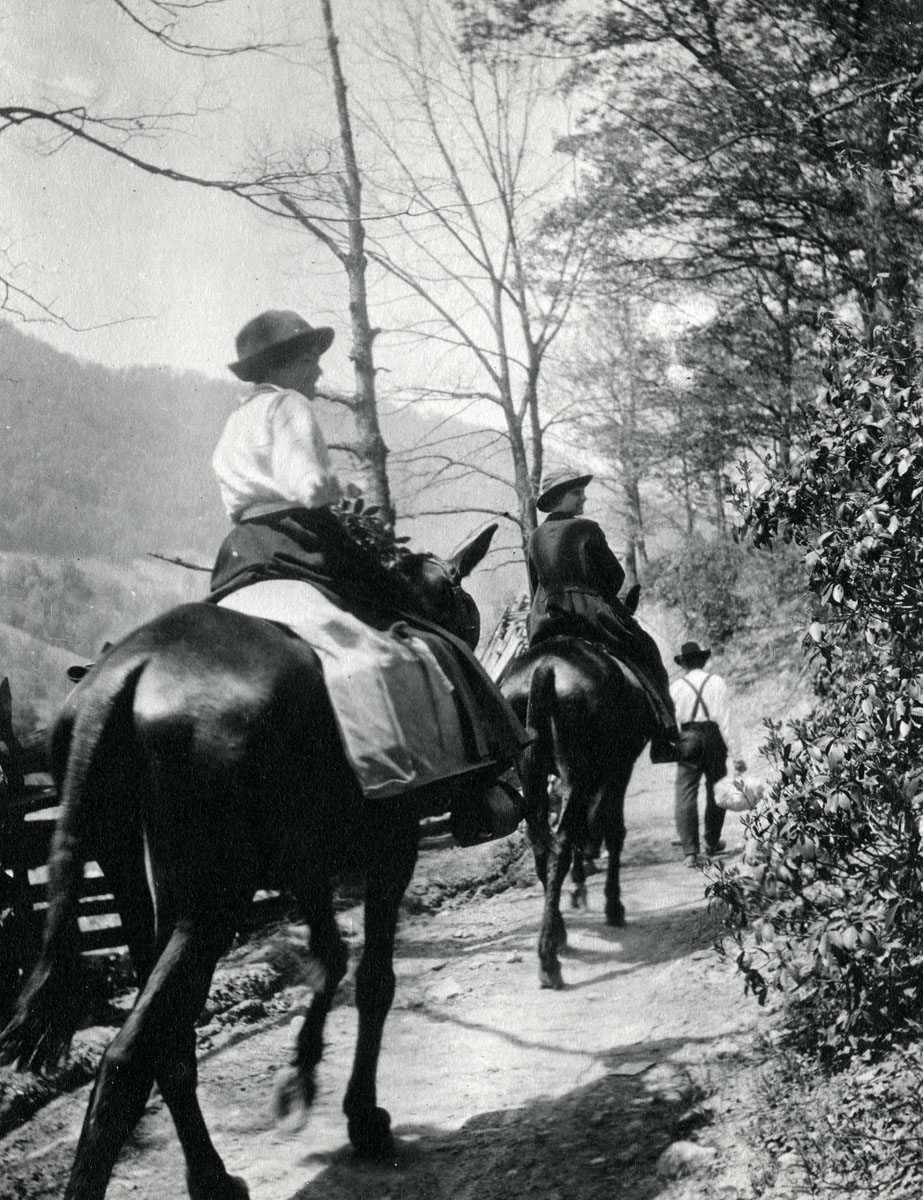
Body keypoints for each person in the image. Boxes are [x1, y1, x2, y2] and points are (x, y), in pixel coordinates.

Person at [207, 308, 529, 835]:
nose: (318, 371)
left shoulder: (234, 422)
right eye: (310, 360)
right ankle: (424, 789)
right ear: (285, 363)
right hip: (300, 540)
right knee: (407, 644)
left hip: (241, 556)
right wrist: (338, 500)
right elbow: (311, 488)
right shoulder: (287, 405)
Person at [525, 467, 679, 762]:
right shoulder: (587, 529)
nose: (583, 498)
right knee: (646, 649)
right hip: (587, 615)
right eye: (577, 493)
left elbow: (535, 586)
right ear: (559, 498)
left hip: (545, 620)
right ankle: (664, 736)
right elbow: (615, 577)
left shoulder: (534, 538)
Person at [670, 640, 746, 866]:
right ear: (702, 661)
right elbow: (726, 720)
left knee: (685, 793)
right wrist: (737, 755)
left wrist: (676, 746)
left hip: (688, 737)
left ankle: (691, 852)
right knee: (717, 789)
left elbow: (672, 721)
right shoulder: (717, 682)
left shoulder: (676, 687)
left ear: (684, 664)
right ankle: (711, 842)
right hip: (714, 737)